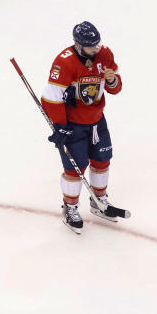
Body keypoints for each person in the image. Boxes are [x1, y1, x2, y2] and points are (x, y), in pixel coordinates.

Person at [41, 21, 129, 233]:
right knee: (75, 168)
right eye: (91, 46)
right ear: (78, 45)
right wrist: (60, 126)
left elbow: (115, 88)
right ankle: (70, 208)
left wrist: (111, 81)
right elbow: (50, 97)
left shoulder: (104, 54)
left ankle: (99, 201)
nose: (96, 49)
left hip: (97, 121)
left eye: (98, 44)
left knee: (102, 160)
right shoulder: (65, 63)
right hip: (74, 125)